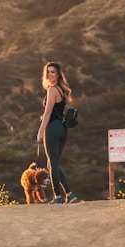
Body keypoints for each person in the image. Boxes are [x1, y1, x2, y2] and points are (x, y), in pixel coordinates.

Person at [36, 61, 80, 204]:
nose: (49, 74)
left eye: (52, 72)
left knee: (52, 164)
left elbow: (48, 113)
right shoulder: (62, 90)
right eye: (48, 72)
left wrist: (40, 131)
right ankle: (70, 194)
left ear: (58, 74)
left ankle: (57, 197)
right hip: (62, 129)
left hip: (53, 129)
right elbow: (56, 112)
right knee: (52, 163)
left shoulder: (52, 90)